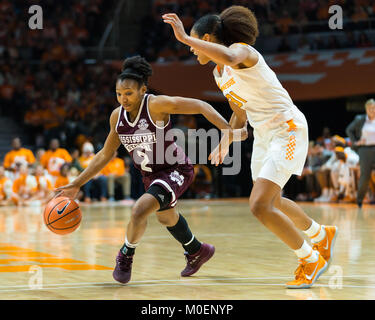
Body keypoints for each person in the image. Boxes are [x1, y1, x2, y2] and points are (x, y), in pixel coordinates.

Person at [163, 6, 338, 289]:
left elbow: (231, 56)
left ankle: (309, 259)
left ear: (207, 38)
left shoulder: (241, 51)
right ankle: (320, 235)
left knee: (259, 205)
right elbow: (240, 113)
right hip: (264, 136)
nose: (193, 50)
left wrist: (184, 37)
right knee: (273, 202)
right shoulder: (218, 75)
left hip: (288, 129)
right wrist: (226, 140)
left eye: (196, 43)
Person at [54, 55, 246, 284]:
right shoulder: (117, 117)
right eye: (119, 94)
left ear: (143, 90)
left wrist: (227, 132)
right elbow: (105, 154)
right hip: (151, 176)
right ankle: (196, 250)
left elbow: (201, 106)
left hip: (176, 169)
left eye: (129, 93)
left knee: (139, 210)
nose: (123, 99)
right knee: (166, 218)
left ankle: (125, 255)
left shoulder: (156, 104)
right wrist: (77, 183)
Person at [346, 98, 375, 208]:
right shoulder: (360, 119)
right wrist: (356, 142)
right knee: (365, 175)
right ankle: (359, 200)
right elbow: (349, 129)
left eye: (374, 108)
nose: (373, 110)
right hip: (365, 150)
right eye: (370, 108)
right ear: (366, 109)